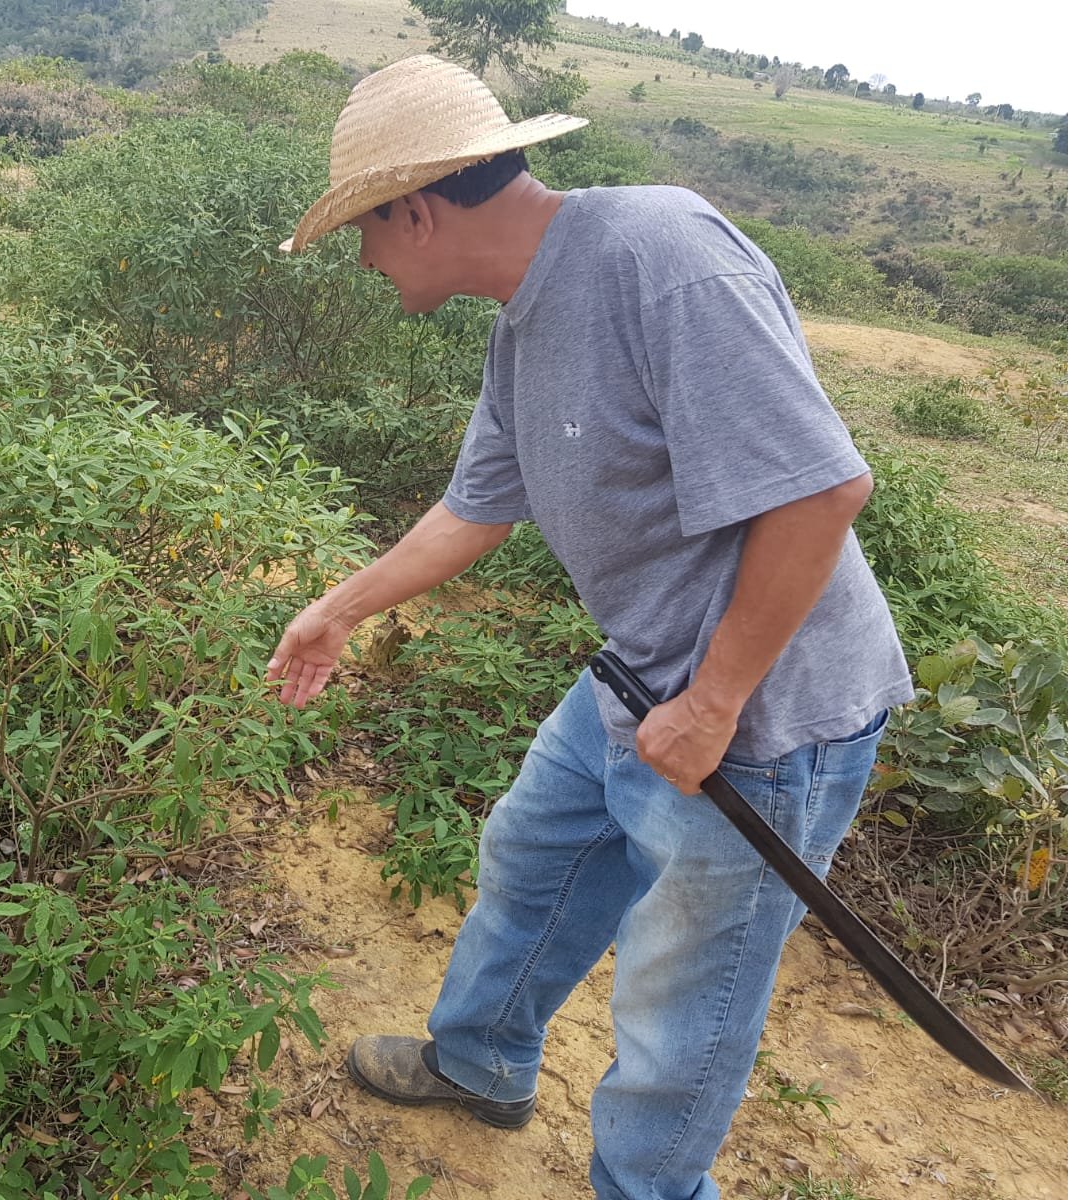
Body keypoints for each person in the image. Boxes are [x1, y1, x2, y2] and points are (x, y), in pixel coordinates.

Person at [266, 55, 913, 1200]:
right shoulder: (525, 321)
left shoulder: (660, 260)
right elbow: (477, 507)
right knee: (536, 853)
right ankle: (480, 1065)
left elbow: (820, 494)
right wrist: (336, 608)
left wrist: (714, 702)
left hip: (762, 717)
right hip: (638, 677)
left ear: (414, 211)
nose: (362, 263)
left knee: (681, 999)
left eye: (362, 233)